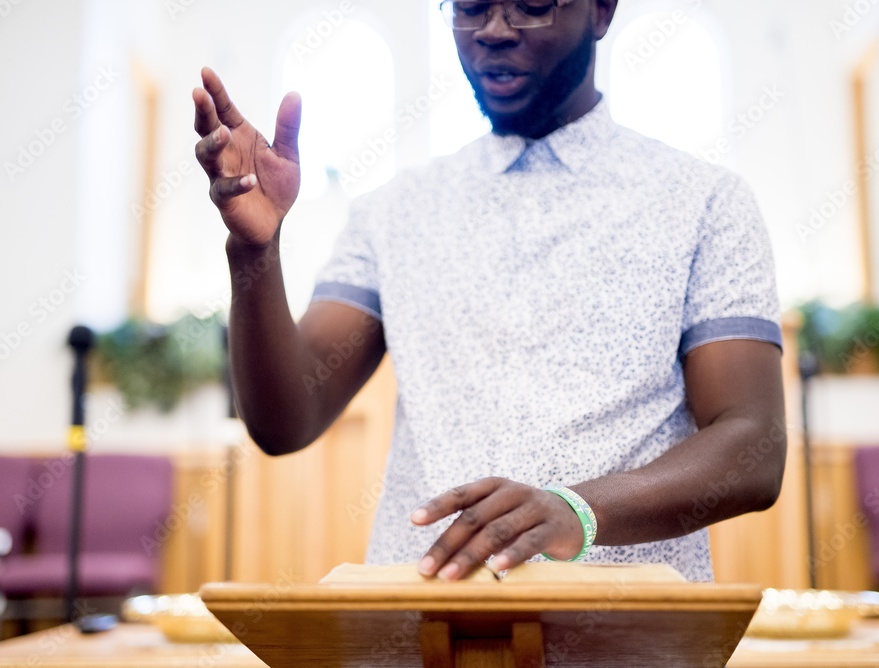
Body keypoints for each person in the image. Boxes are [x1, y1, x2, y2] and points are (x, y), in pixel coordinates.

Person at [191, 0, 786, 583]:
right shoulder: (394, 211)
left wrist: (577, 510)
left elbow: (752, 442)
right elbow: (286, 421)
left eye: (530, 5)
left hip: (626, 631)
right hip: (423, 629)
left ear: (602, 12)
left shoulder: (704, 201)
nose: (494, 30)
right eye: (472, 6)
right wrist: (255, 252)